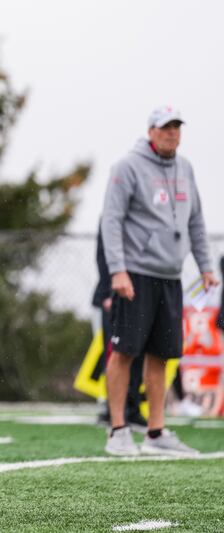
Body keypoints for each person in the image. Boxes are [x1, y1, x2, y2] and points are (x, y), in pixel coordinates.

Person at [101, 104, 217, 457]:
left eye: (177, 127)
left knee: (161, 355)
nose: (172, 133)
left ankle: (155, 432)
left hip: (170, 277)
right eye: (166, 127)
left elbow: (195, 220)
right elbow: (112, 220)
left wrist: (206, 265)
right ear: (151, 131)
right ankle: (118, 430)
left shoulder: (185, 168)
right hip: (135, 274)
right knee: (124, 351)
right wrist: (118, 270)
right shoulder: (127, 167)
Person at [92, 224, 147, 431]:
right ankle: (112, 410)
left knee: (138, 351)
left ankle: (132, 409)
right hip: (115, 293)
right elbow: (103, 253)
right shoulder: (113, 211)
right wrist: (108, 291)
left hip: (140, 291)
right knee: (116, 352)